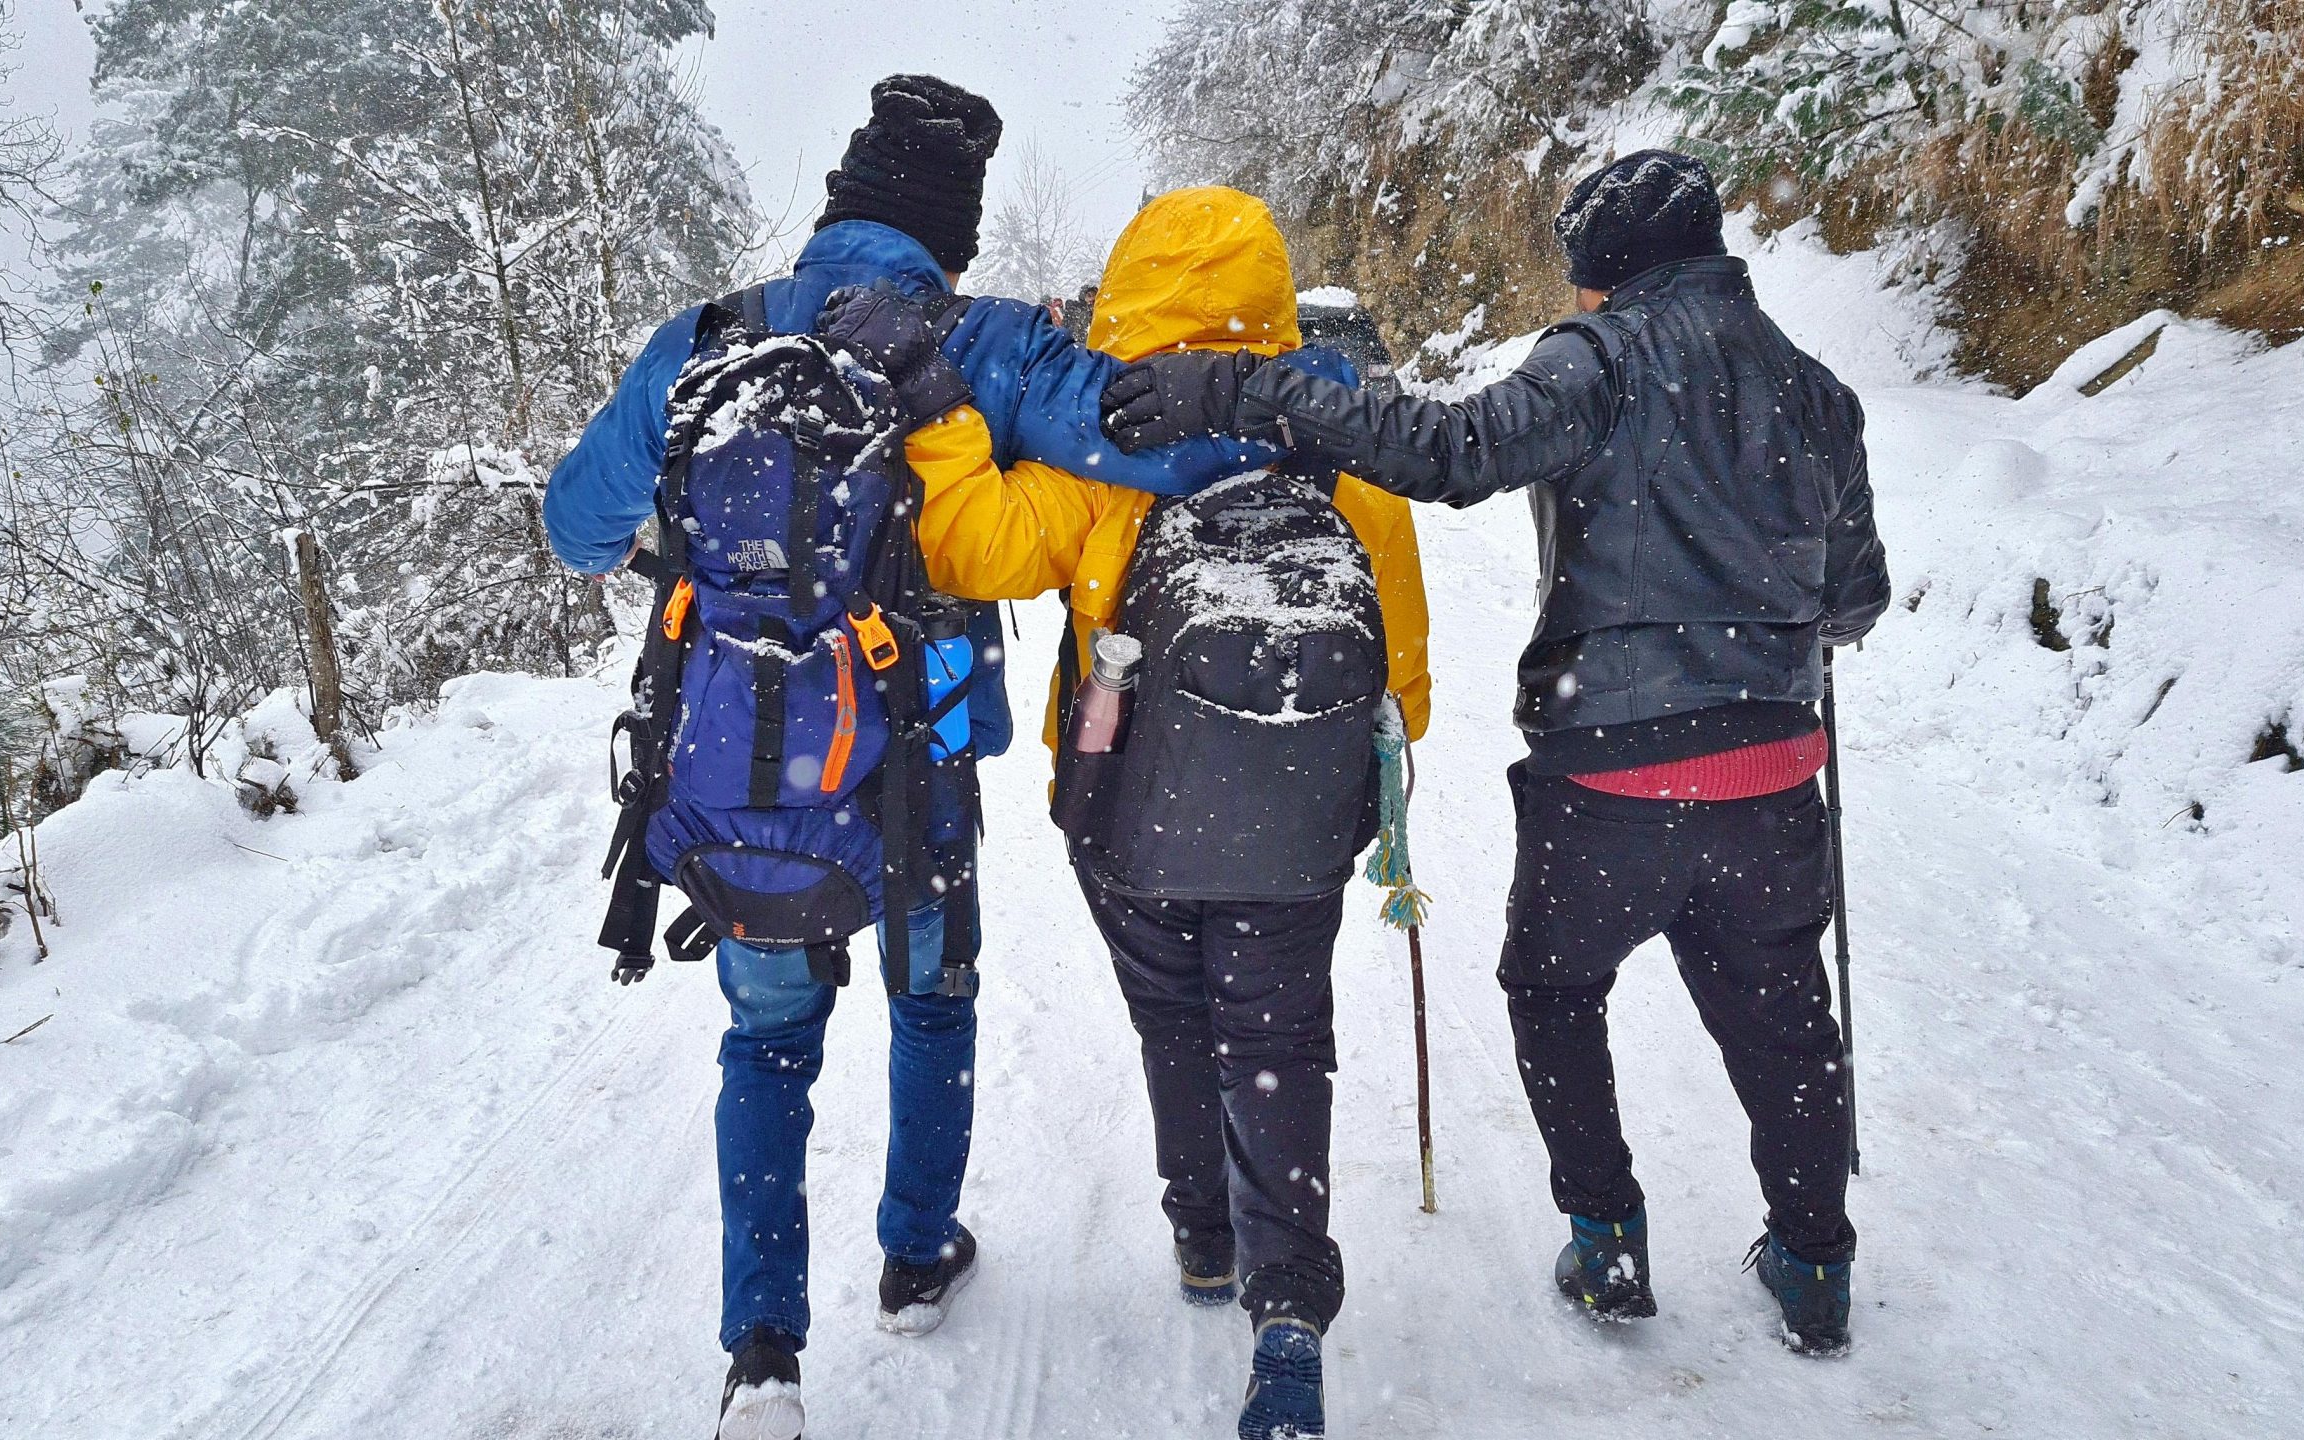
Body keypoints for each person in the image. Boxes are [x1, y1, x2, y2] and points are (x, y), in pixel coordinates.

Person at [544, 77, 1290, 1440]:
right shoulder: (979, 343)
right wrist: (1308, 406)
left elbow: (575, 524)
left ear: (837, 202)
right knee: (931, 1006)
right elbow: (1156, 444)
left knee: (766, 1045)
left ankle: (764, 1355)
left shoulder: (707, 339)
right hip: (913, 767)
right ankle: (914, 1251)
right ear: (951, 234)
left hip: (741, 775)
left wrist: (682, 544)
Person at [1099, 150, 1891, 1356]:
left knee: (1557, 989)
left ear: (1605, 277)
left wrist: (1243, 394)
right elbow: (1853, 604)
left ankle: (1609, 1238)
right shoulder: (1819, 394)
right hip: (1774, 772)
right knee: (1786, 1016)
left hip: (1611, 774)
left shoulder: (1601, 360)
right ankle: (1814, 1262)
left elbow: (1448, 451)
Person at [822, 186, 1431, 1440]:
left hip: (1131, 814)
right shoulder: (1344, 458)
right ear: (1269, 294)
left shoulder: (1115, 452)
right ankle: (1287, 1315)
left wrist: (940, 413)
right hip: (1294, 832)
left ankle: (1203, 1237)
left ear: (1132, 296)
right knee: (1278, 1039)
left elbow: (970, 550)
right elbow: (1401, 683)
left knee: (1174, 1021)